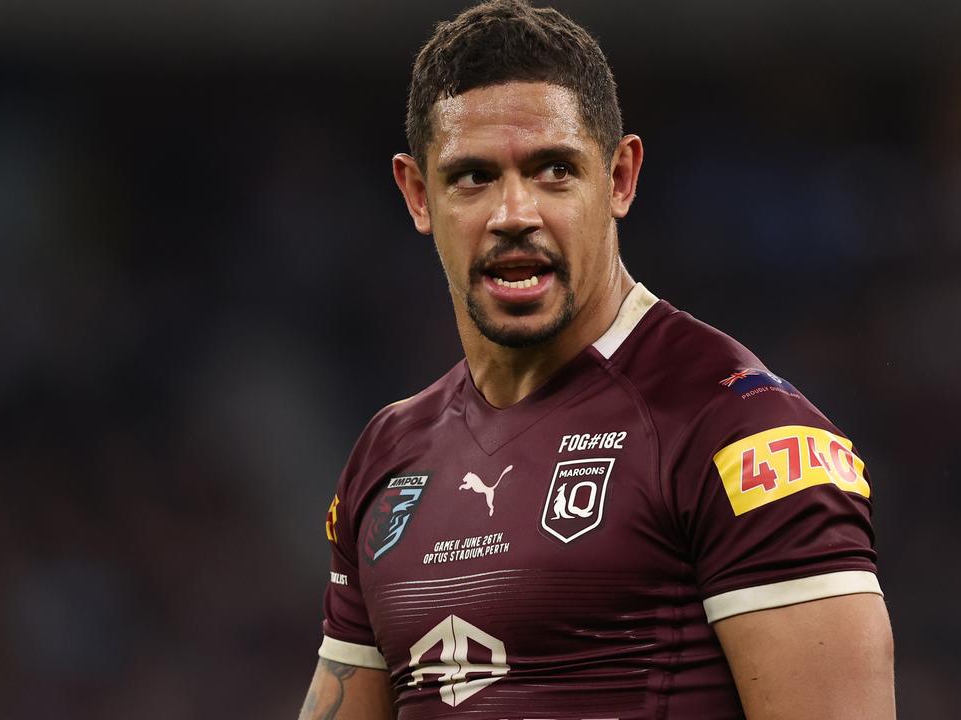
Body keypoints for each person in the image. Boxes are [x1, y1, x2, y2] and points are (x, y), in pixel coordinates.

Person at [299, 1, 895, 717]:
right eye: (473, 177)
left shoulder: (742, 435)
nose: (513, 213)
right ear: (418, 194)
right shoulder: (387, 457)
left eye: (554, 170)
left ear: (619, 178)